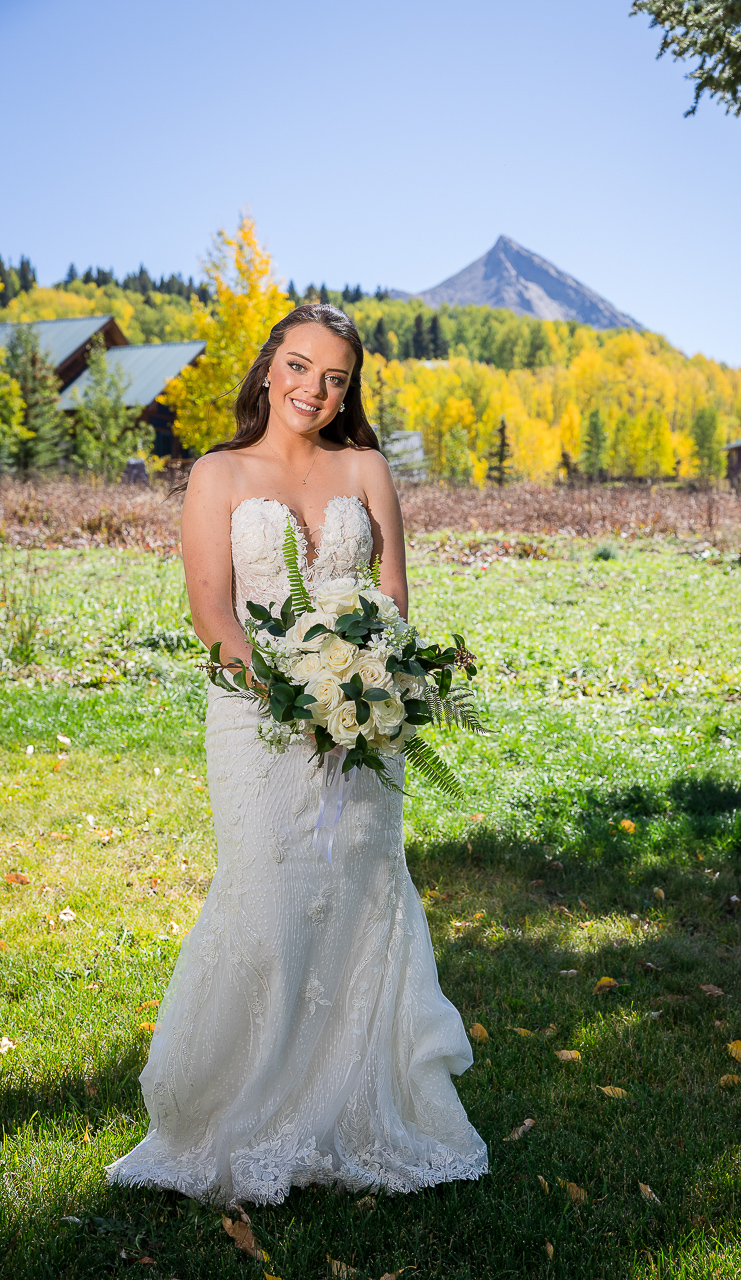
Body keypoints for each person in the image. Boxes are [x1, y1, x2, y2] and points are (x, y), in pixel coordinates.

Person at [107, 304, 488, 1204]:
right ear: (268, 366)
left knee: (361, 893)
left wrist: (364, 689)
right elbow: (213, 618)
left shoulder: (365, 469)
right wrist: (296, 699)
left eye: (336, 378)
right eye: (299, 366)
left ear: (349, 389)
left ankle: (356, 1101)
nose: (313, 390)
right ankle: (237, 1106)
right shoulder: (219, 473)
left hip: (364, 731)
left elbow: (391, 600)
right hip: (255, 720)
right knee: (268, 897)